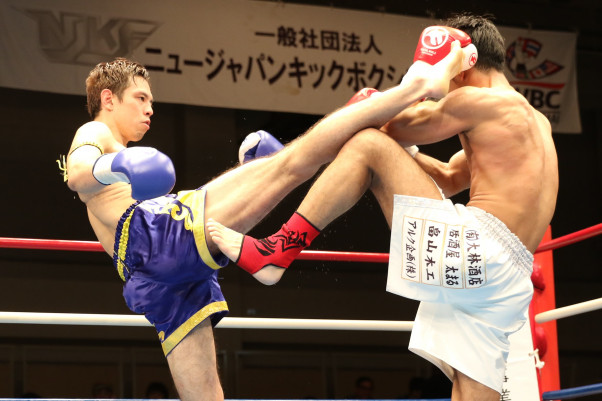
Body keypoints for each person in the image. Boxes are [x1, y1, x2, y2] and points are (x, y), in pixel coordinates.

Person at [63, 43, 464, 401]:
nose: (150, 108)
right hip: (156, 238)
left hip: (152, 273)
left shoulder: (116, 153)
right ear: (108, 99)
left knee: (205, 396)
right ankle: (411, 89)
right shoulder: (95, 130)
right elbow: (77, 174)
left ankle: (282, 155)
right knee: (292, 162)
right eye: (140, 98)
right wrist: (117, 164)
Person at [207, 13, 558, 400]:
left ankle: (278, 249)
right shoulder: (534, 122)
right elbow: (447, 176)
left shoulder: (478, 100)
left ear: (464, 60)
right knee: (473, 388)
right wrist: (405, 151)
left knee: (367, 145)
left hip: (480, 247)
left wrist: (374, 103)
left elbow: (382, 128)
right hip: (509, 278)